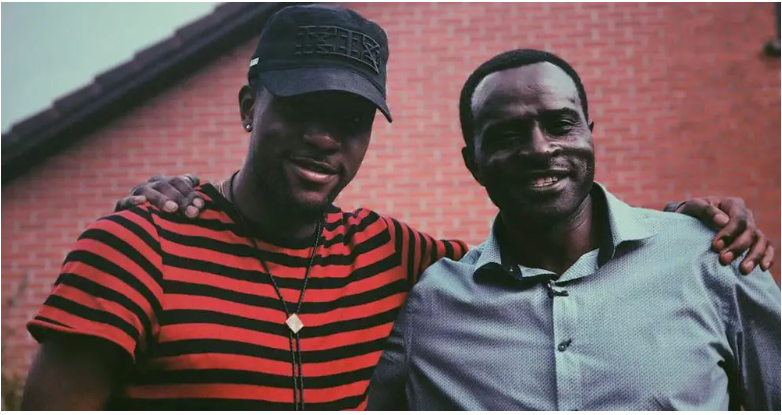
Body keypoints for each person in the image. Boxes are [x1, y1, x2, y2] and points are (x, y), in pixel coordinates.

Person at [21, 4, 773, 410]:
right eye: (302, 107)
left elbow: (536, 254)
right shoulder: (137, 247)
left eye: (348, 118)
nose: (323, 137)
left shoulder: (396, 261)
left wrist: (692, 224)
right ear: (252, 105)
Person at [366, 49, 781, 411]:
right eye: (507, 135)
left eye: (560, 124)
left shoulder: (711, 259)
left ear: (589, 134)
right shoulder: (431, 304)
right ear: (473, 163)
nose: (540, 148)